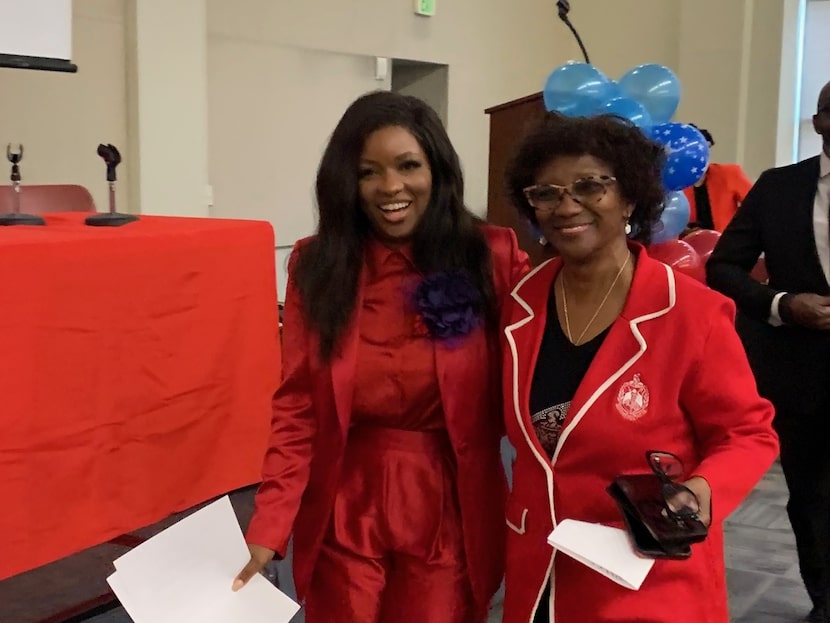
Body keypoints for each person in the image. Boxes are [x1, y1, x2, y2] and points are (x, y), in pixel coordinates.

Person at [231, 90, 529, 623]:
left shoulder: (492, 257)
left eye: (408, 165)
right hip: (347, 498)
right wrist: (270, 523)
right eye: (369, 171)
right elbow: (298, 403)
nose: (390, 187)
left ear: (436, 170)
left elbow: (544, 365)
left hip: (450, 501)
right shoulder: (317, 264)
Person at [499, 112, 779, 623]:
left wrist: (701, 491)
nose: (567, 206)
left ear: (629, 196)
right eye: (546, 193)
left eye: (589, 186)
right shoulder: (520, 305)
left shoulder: (691, 312)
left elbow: (748, 433)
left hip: (646, 576)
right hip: (541, 568)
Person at [707, 80, 830, 623]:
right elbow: (722, 266)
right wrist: (782, 302)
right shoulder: (779, 189)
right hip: (805, 375)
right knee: (813, 501)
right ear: (821, 122)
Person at [682, 124, 753, 232]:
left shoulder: (730, 173)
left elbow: (756, 205)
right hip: (690, 244)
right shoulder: (675, 182)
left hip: (727, 243)